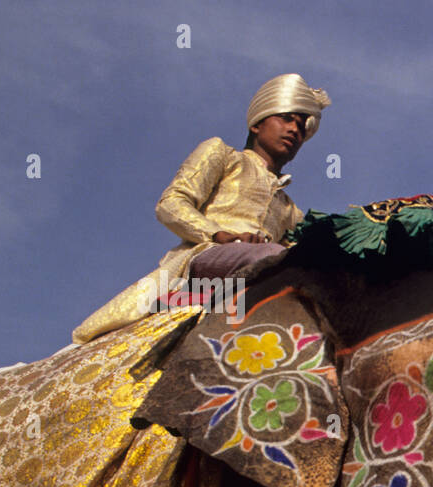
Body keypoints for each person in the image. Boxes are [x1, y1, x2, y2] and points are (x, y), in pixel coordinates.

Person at [72, 74, 331, 344]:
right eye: (286, 118)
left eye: (301, 128)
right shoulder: (224, 155)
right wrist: (217, 234)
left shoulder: (291, 210)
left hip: (262, 272)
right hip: (206, 257)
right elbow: (171, 203)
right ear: (257, 124)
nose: (294, 131)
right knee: (271, 255)